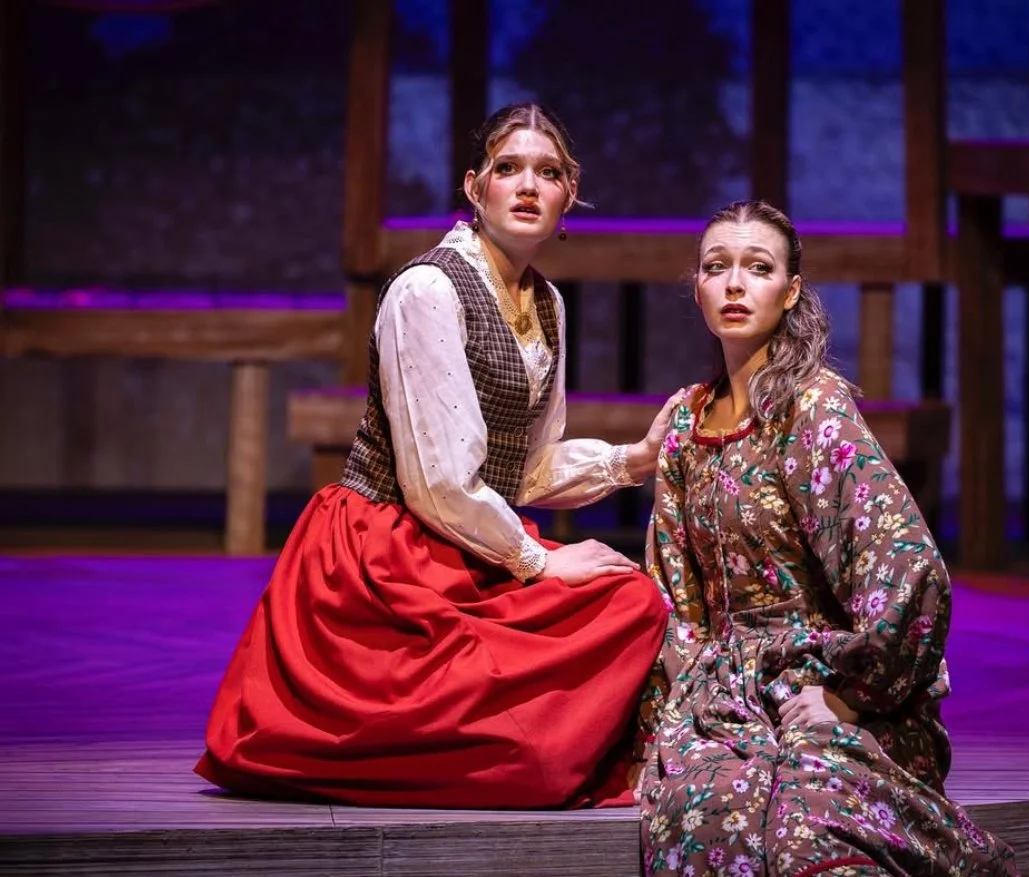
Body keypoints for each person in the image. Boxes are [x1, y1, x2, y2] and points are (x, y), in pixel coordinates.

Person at [196, 102, 676, 810]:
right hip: (383, 554)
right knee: (537, 722)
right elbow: (439, 485)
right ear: (473, 187)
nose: (526, 186)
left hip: (468, 539)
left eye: (547, 173)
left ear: (568, 195)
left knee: (633, 600)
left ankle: (533, 748)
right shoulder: (427, 290)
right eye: (507, 168)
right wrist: (542, 561)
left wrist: (634, 460)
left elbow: (528, 466)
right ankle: (506, 754)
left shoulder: (546, 303)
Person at [633, 200, 1019, 875]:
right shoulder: (685, 428)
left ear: (789, 292)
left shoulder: (812, 408)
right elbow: (674, 595)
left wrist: (849, 693)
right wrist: (696, 700)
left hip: (827, 683)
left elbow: (907, 563)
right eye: (716, 267)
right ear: (695, 286)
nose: (733, 284)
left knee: (811, 815)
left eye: (757, 268)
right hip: (725, 697)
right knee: (706, 809)